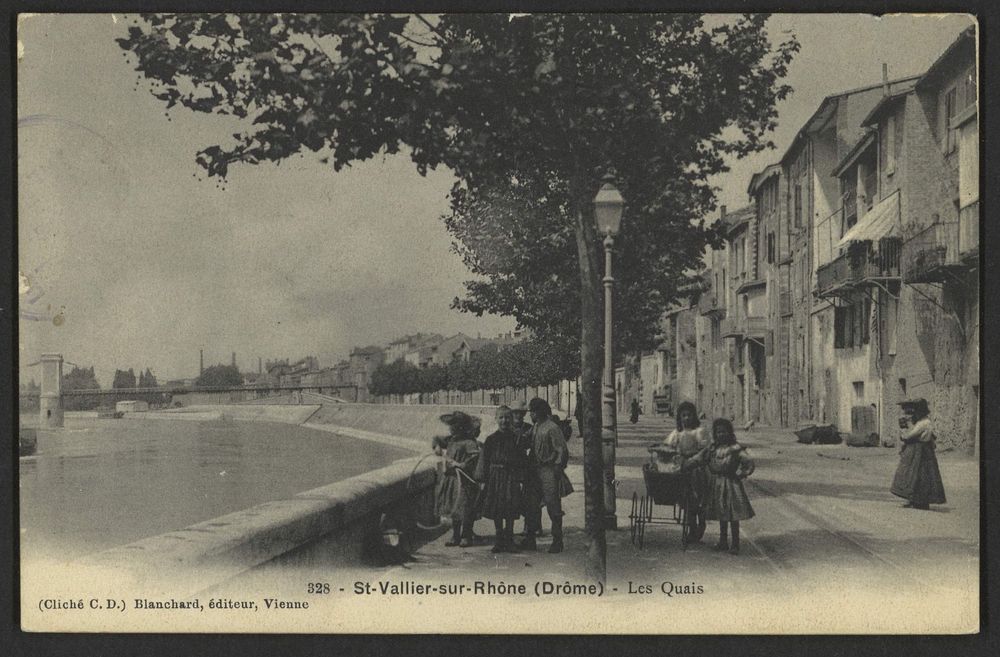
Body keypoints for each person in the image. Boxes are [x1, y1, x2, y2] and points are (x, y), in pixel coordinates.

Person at [685, 418, 755, 555]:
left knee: (733, 515)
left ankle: (735, 543)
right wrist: (685, 465)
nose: (721, 434)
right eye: (718, 432)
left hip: (731, 484)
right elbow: (699, 459)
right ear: (715, 434)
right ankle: (723, 541)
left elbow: (748, 462)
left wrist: (742, 473)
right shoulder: (712, 449)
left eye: (724, 432)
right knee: (721, 513)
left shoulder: (735, 449)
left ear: (729, 433)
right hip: (717, 483)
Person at [519, 398, 571, 553]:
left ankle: (557, 540)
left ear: (539, 412)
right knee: (531, 505)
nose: (531, 415)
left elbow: (561, 450)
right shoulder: (535, 427)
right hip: (534, 471)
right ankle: (530, 539)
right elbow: (526, 441)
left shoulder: (552, 428)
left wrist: (557, 467)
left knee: (553, 506)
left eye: (532, 412)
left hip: (548, 470)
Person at [651, 401, 708, 541]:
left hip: (696, 469)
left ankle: (701, 524)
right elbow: (667, 445)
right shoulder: (678, 433)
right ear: (680, 417)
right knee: (686, 500)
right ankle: (691, 529)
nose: (686, 418)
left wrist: (693, 458)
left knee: (698, 499)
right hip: (682, 469)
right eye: (683, 415)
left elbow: (705, 449)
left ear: (694, 416)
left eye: (689, 415)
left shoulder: (699, 432)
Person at [475, 406, 526, 553]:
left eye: (507, 418)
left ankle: (509, 539)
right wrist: (483, 480)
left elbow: (522, 459)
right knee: (497, 507)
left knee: (510, 506)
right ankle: (499, 540)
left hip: (511, 477)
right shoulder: (491, 439)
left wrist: (521, 478)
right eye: (501, 418)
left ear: (511, 419)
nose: (504, 421)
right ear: (496, 419)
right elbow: (484, 460)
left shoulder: (517, 438)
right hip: (495, 478)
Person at [433, 411, 482, 547]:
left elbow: (475, 457)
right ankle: (455, 536)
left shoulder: (469, 442)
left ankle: (466, 536)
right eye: (451, 426)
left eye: (455, 426)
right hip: (452, 480)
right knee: (454, 508)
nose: (451, 429)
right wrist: (437, 446)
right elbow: (436, 439)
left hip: (464, 480)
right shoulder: (451, 440)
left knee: (465, 508)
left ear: (462, 427)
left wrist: (461, 464)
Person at [891, 398, 946, 510]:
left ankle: (920, 501)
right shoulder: (925, 422)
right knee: (920, 476)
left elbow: (909, 436)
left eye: (915, 410)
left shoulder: (923, 423)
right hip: (925, 451)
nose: (913, 413)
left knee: (918, 476)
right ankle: (916, 500)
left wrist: (903, 432)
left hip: (920, 451)